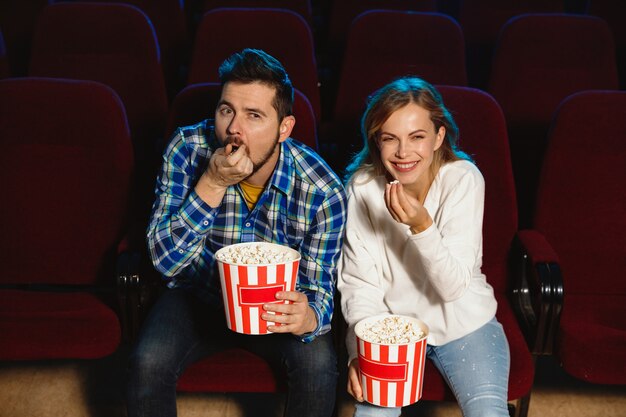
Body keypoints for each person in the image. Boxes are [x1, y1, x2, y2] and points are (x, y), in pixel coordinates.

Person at [127, 48, 347, 417]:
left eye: (254, 115)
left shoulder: (322, 190)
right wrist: (211, 184)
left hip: (274, 306)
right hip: (199, 293)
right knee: (146, 362)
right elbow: (164, 261)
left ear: (285, 129)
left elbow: (319, 286)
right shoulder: (187, 149)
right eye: (226, 110)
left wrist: (310, 315)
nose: (233, 129)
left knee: (319, 369)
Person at [337, 77, 510, 417]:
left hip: (463, 323)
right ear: (376, 141)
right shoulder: (362, 187)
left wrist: (422, 226)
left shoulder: (463, 178)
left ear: (439, 137)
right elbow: (360, 284)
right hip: (388, 330)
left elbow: (452, 288)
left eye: (417, 137)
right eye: (390, 139)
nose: (403, 153)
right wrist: (361, 351)